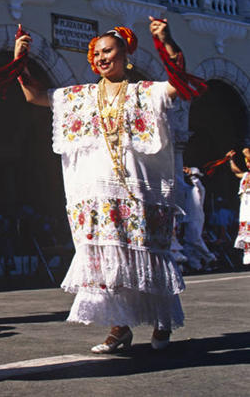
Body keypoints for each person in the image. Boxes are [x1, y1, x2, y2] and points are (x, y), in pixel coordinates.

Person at [13, 18, 191, 353]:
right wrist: (20, 59)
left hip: (138, 191)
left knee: (147, 253)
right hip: (97, 195)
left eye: (108, 51)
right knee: (110, 261)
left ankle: (162, 322)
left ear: (126, 55)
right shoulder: (80, 97)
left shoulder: (144, 92)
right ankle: (119, 327)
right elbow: (35, 95)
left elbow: (178, 84)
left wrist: (167, 41)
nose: (101, 57)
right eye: (95, 53)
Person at [180, 167, 215, 270]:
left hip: (196, 217)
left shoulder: (199, 189)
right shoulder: (187, 188)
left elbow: (197, 183)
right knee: (188, 242)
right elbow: (179, 182)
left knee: (195, 240)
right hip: (187, 218)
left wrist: (192, 175)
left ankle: (210, 258)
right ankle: (196, 265)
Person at [227, 148, 250, 264]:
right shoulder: (246, 175)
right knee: (246, 233)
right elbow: (236, 172)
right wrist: (231, 160)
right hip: (245, 208)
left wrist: (247, 154)